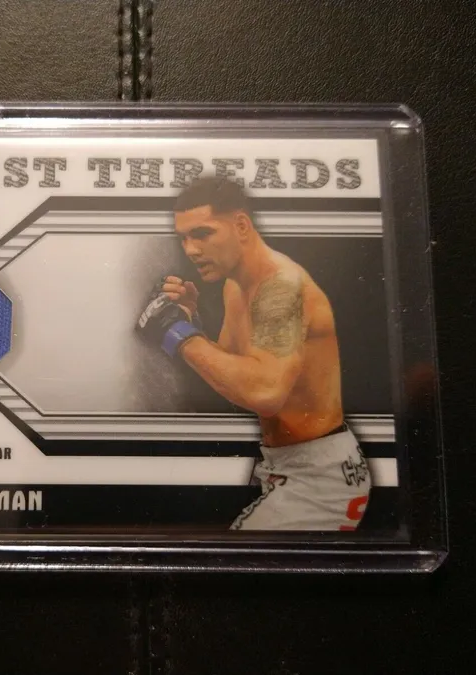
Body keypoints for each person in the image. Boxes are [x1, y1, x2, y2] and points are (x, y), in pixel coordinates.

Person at [137, 176, 371, 531]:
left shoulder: (281, 288)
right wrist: (190, 321)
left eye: (202, 234)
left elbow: (264, 392)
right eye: (183, 238)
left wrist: (176, 332)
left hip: (319, 478)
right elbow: (234, 378)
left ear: (242, 226)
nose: (191, 249)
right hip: (288, 464)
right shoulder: (236, 286)